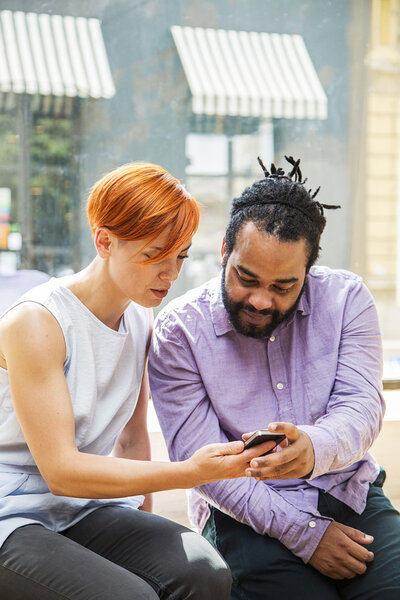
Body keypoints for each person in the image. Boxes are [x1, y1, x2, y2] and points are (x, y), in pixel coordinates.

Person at [0, 162, 274, 600]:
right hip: (10, 515)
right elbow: (62, 472)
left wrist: (147, 529)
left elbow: (131, 443)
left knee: (206, 571)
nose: (171, 273)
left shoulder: (139, 318)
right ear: (104, 241)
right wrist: (188, 473)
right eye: (153, 255)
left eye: (180, 255)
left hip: (80, 510)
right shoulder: (37, 322)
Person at [149, 156, 400, 600]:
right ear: (224, 251)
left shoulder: (346, 300)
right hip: (243, 513)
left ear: (309, 270)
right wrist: (307, 535)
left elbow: (362, 407)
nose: (261, 300)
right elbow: (204, 469)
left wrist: (314, 449)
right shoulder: (179, 331)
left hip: (349, 489)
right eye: (246, 278)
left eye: (284, 286)